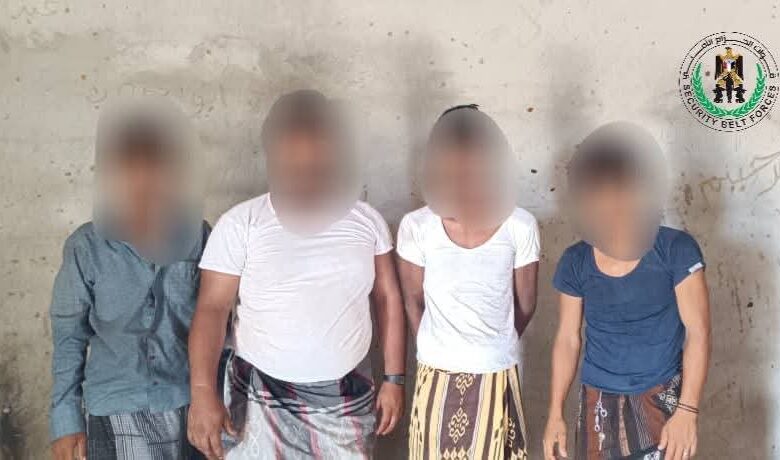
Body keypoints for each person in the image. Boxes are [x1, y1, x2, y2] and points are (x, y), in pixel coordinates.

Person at [186, 90, 407, 460]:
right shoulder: (241, 224)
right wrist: (203, 392)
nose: (304, 177)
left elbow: (388, 299)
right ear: (273, 157)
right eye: (292, 164)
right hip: (258, 398)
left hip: (345, 399)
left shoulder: (366, 221)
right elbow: (212, 308)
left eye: (315, 163)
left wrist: (394, 379)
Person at [49, 99, 208, 460]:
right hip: (115, 406)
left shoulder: (199, 237)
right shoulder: (86, 247)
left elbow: (219, 325)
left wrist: (215, 397)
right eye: (133, 188)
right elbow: (69, 336)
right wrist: (66, 419)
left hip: (189, 403)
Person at [542, 123, 711, 460]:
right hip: (596, 399)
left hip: (661, 396)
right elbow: (568, 339)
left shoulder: (675, 250)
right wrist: (555, 413)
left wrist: (687, 410)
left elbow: (699, 332)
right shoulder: (576, 261)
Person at [398, 104, 539, 460]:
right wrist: (436, 345)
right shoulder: (417, 226)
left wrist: (489, 342)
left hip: (496, 371)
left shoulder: (519, 225)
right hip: (435, 372)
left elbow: (525, 304)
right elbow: (412, 299)